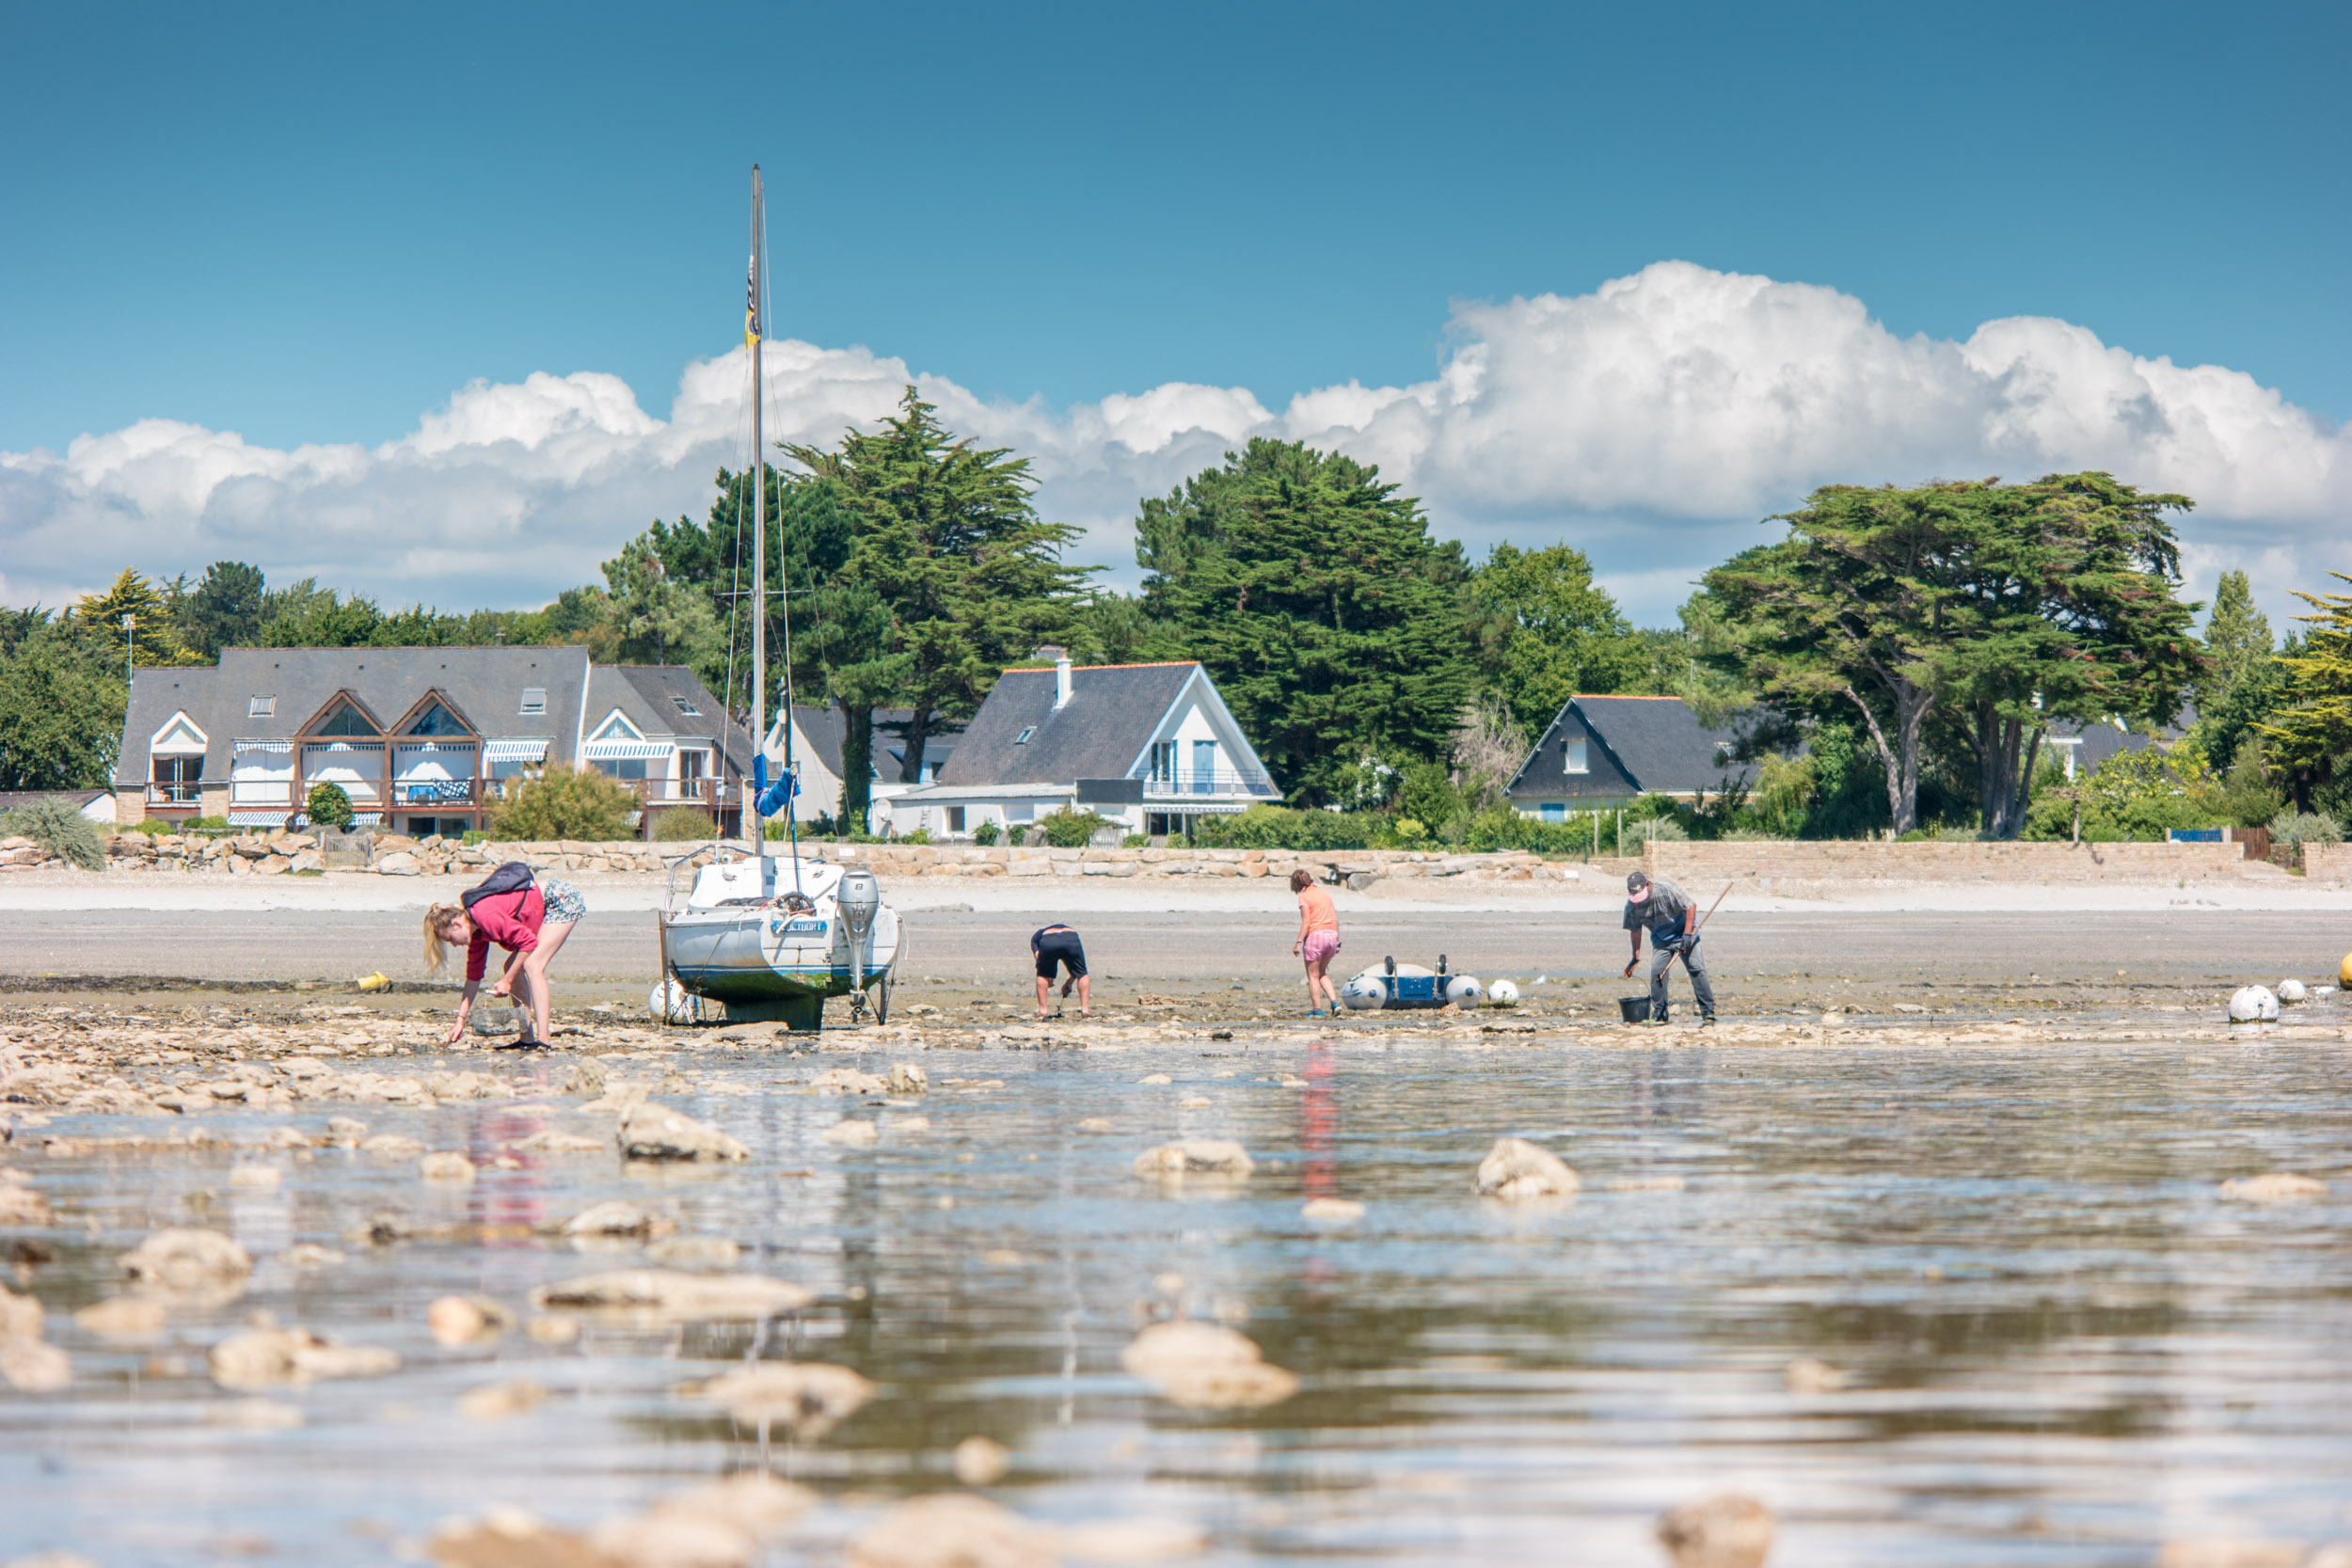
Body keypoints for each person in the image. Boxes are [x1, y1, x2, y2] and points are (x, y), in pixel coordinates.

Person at [423, 868, 587, 1046]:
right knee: (513, 967)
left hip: (559, 898)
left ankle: (543, 1041)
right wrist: (460, 1021)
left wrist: (507, 981)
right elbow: (473, 978)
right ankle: (526, 1038)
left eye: (450, 939)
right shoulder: (477, 934)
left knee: (533, 965)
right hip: (545, 904)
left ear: (456, 924)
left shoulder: (484, 916)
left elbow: (528, 942)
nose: (454, 945)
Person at [1622, 869, 1715, 1025]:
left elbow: (1690, 906)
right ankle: (1660, 1014)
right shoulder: (1632, 906)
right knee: (1657, 973)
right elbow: (1636, 931)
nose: (1639, 901)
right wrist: (1635, 958)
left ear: (1647, 884)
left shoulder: (1664, 889)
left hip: (1685, 932)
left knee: (1697, 970)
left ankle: (1708, 1013)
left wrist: (1686, 935)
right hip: (1661, 940)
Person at [1291, 868, 1343, 1017]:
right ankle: (1334, 1003)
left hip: (1316, 936)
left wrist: (1298, 942)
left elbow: (1306, 922)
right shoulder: (1324, 894)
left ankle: (1317, 1010)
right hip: (1331, 935)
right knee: (1321, 973)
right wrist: (1337, 940)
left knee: (1312, 975)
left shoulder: (1304, 896)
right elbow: (1334, 917)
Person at [1031, 923, 1090, 1020]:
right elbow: (1076, 970)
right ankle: (1085, 1010)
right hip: (1070, 937)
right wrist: (1069, 983)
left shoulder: (1036, 939)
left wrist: (1049, 979)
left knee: (1042, 974)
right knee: (1082, 972)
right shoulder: (1066, 930)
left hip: (1049, 941)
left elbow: (1040, 963)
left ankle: (1043, 1010)